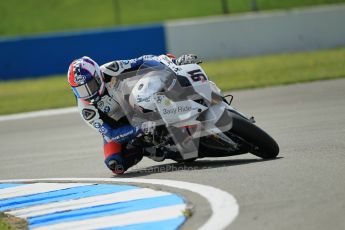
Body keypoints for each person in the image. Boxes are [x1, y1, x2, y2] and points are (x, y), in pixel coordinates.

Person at [67, 54, 199, 174]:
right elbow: (111, 134)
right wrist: (139, 129)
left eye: (89, 86)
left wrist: (173, 62)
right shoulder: (86, 110)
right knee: (115, 164)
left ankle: (186, 95)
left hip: (136, 103)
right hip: (120, 127)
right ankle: (152, 149)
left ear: (97, 76)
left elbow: (143, 61)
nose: (88, 93)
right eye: (80, 90)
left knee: (154, 78)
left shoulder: (110, 69)